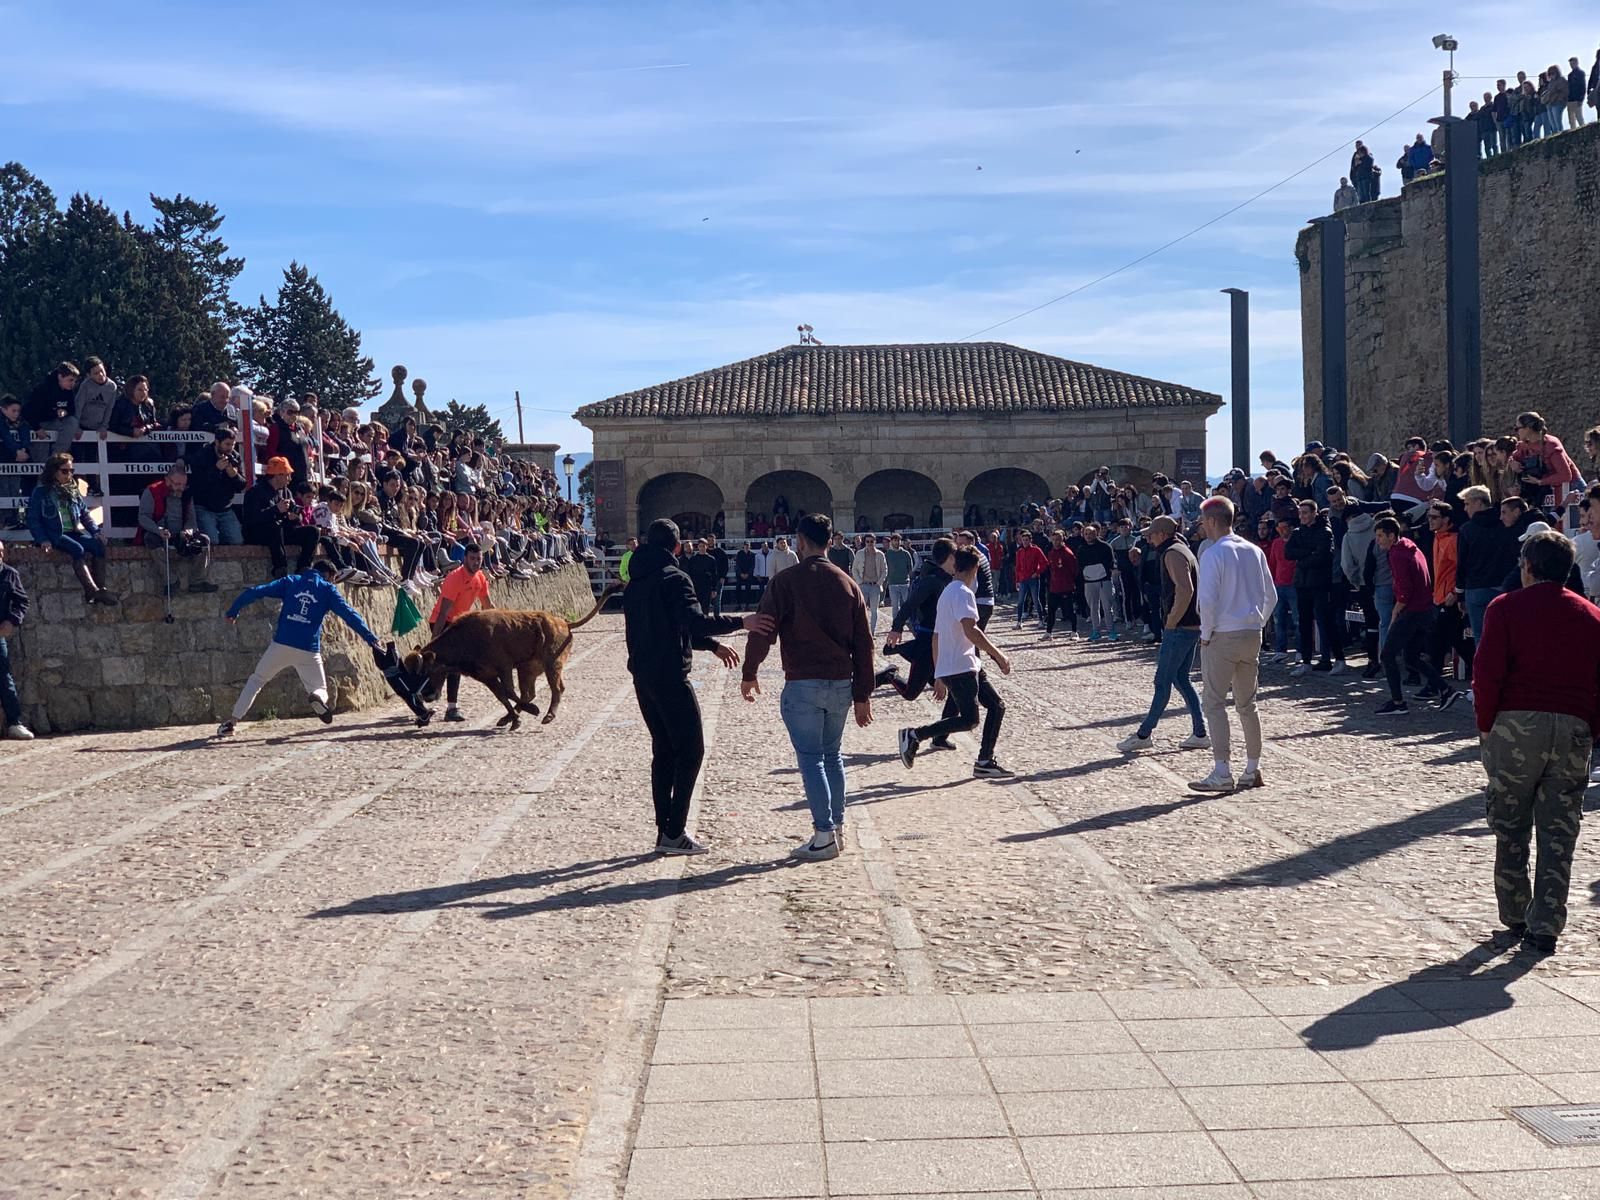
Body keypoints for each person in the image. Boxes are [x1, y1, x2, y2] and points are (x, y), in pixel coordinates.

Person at [1473, 530, 1600, 955]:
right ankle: (1546, 924)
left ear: (1528, 566)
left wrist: (1486, 725)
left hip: (1516, 725)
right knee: (1559, 830)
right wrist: (1590, 729)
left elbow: (1487, 671)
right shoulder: (1591, 616)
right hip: (1573, 725)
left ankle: (1514, 912)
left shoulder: (1505, 608)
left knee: (1510, 823)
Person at [623, 518, 771, 856]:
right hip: (670, 677)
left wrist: (712, 646)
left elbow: (672, 626)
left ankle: (664, 831)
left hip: (643, 677)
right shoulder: (675, 578)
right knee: (691, 751)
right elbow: (693, 621)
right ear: (677, 547)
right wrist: (741, 622)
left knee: (663, 751)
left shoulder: (636, 582)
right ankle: (675, 832)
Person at [742, 513, 874, 861]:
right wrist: (863, 693)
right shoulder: (848, 584)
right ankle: (838, 828)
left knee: (812, 759)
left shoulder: (785, 582)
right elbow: (864, 644)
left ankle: (824, 833)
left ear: (800, 541)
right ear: (830, 541)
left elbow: (764, 629)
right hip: (841, 683)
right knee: (833, 756)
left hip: (803, 682)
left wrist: (750, 671)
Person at [219, 559, 382, 736]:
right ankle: (317, 697)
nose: (333, 582)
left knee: (256, 680)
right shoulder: (328, 590)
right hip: (308, 649)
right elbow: (349, 615)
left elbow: (256, 591)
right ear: (328, 575)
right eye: (334, 579)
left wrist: (233, 610)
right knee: (320, 689)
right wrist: (371, 638)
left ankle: (232, 722)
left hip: (281, 645)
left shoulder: (291, 581)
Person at [896, 547, 1013, 778]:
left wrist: (939, 673)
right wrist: (998, 655)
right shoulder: (963, 593)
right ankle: (915, 735)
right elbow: (972, 630)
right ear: (975, 568)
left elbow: (936, 637)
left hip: (962, 665)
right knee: (970, 720)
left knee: (996, 706)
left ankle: (985, 761)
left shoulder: (947, 591)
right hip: (961, 666)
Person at [1191, 498, 1276, 792]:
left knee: (1214, 703)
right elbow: (1271, 595)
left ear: (1212, 521)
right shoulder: (1254, 550)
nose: (1202, 526)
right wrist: (1258, 622)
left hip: (1222, 634)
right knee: (1247, 704)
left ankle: (1222, 771)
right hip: (1251, 632)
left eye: (1203, 521)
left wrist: (1206, 634)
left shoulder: (1213, 554)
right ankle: (1252, 768)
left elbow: (1207, 600)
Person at [1117, 516, 1209, 753]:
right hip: (1191, 625)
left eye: (1152, 533)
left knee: (1162, 681)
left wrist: (1172, 620)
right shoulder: (1182, 549)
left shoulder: (1172, 553)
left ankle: (1144, 733)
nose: (1149, 538)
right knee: (1181, 678)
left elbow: (1185, 589)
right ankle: (1200, 732)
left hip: (1180, 627)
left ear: (1163, 534)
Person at [1373, 516, 1459, 715]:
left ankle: (1398, 702)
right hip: (1425, 610)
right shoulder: (1410, 547)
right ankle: (1445, 689)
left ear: (1391, 536)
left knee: (1387, 655)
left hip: (1412, 610)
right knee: (1411, 656)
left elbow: (1405, 589)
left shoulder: (1397, 554)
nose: (1378, 540)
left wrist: (1396, 611)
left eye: (1380, 536)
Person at [26, 453, 117, 605]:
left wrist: (96, 532)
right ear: (53, 471)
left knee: (98, 546)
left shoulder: (72, 491)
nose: (69, 474)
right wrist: (43, 539)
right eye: (65, 471)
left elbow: (85, 515)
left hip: (73, 532)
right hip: (55, 534)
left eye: (71, 471)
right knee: (77, 549)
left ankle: (101, 590)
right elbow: (33, 519)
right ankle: (91, 590)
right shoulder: (41, 492)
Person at [431, 543, 496, 722]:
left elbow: (488, 605)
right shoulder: (455, 578)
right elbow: (443, 612)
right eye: (472, 558)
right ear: (465, 558)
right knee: (445, 664)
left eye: (479, 559)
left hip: (458, 625)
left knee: (454, 666)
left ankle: (448, 706)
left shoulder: (480, 577)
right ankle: (437, 700)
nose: (476, 562)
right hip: (442, 623)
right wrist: (435, 639)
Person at [136, 462, 215, 596]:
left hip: (181, 533)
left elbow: (191, 518)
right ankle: (170, 581)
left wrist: (189, 530)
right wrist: (159, 530)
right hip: (160, 532)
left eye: (183, 485)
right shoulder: (152, 491)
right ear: (167, 480)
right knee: (150, 539)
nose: (181, 488)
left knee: (204, 540)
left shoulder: (187, 493)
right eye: (177, 484)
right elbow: (143, 517)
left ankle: (198, 580)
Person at [1286, 500, 1342, 676]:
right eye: (1300, 513)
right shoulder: (1297, 532)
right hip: (1302, 583)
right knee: (1304, 623)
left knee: (1326, 621)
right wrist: (1308, 552)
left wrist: (1303, 558)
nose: (1302, 516)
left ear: (1314, 513)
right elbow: (1288, 552)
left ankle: (1339, 658)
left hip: (1320, 584)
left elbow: (1323, 556)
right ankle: (1306, 661)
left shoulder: (1325, 532)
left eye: (1305, 513)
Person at [243, 456, 320, 578]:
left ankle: (303, 567)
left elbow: (294, 518)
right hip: (261, 533)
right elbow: (252, 519)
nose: (290, 479)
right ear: (278, 475)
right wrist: (276, 509)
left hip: (282, 532)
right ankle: (280, 568)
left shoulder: (286, 491)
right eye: (287, 475)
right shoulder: (255, 492)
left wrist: (294, 517)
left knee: (313, 531)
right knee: (275, 526)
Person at [191, 425, 246, 545]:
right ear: (217, 442)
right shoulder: (203, 455)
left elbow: (242, 485)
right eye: (227, 444)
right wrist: (216, 470)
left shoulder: (235, 457)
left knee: (237, 541)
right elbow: (197, 484)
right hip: (204, 507)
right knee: (211, 541)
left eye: (233, 445)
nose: (230, 448)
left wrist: (234, 476)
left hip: (225, 508)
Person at [0, 539, 31, 739]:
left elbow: (22, 602)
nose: (0, 555)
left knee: (4, 678)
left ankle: (14, 723)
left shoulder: (9, 574)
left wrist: (11, 621)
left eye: (1, 551)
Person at [21, 361, 80, 459]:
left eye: (74, 381)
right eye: (70, 380)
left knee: (72, 422)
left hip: (55, 423)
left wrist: (65, 412)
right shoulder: (42, 389)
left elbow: (71, 409)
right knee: (40, 458)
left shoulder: (68, 391)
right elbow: (27, 411)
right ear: (60, 376)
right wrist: (37, 428)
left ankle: (57, 458)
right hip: (38, 425)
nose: (73, 384)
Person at [1077, 522, 1117, 641]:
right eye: (1086, 534)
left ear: (1096, 534)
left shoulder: (1105, 547)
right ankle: (1096, 631)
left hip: (1104, 581)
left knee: (1107, 607)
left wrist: (1103, 571)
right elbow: (1079, 564)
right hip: (1089, 581)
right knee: (1093, 608)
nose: (1088, 536)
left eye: (1091, 533)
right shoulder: (1081, 548)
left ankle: (1111, 631)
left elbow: (1110, 562)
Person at [1043, 529, 1079, 637]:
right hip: (1054, 587)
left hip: (1066, 587)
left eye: (1058, 539)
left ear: (1062, 540)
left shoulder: (1067, 553)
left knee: (1069, 610)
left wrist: (1071, 581)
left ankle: (1074, 631)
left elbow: (1074, 569)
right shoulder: (1051, 553)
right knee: (1051, 610)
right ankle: (1048, 633)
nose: (1055, 542)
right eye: (1053, 540)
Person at [850, 533, 888, 636]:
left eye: (872, 541)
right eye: (867, 541)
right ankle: (862, 632)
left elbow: (885, 570)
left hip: (875, 586)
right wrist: (859, 581)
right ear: (865, 542)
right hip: (863, 585)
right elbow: (854, 569)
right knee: (861, 610)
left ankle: (872, 632)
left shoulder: (880, 554)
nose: (870, 543)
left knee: (874, 611)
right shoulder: (859, 554)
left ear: (875, 542)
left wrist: (879, 582)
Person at [1011, 529, 1047, 628]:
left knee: (1036, 600)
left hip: (1033, 579)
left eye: (1027, 540)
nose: (1025, 542)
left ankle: (1041, 620)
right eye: (1023, 540)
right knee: (1020, 601)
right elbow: (1018, 567)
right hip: (1023, 579)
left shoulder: (1036, 550)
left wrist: (1037, 572)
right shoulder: (1020, 552)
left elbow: (1044, 562)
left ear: (1030, 540)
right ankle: (1019, 622)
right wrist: (1017, 580)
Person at [884, 532, 914, 620]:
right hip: (892, 583)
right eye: (895, 540)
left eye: (898, 540)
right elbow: (885, 567)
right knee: (895, 605)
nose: (897, 542)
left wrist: (909, 579)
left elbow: (910, 568)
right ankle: (896, 622)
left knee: (906, 604)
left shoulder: (906, 553)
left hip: (904, 583)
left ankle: (908, 620)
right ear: (891, 542)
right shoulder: (888, 554)